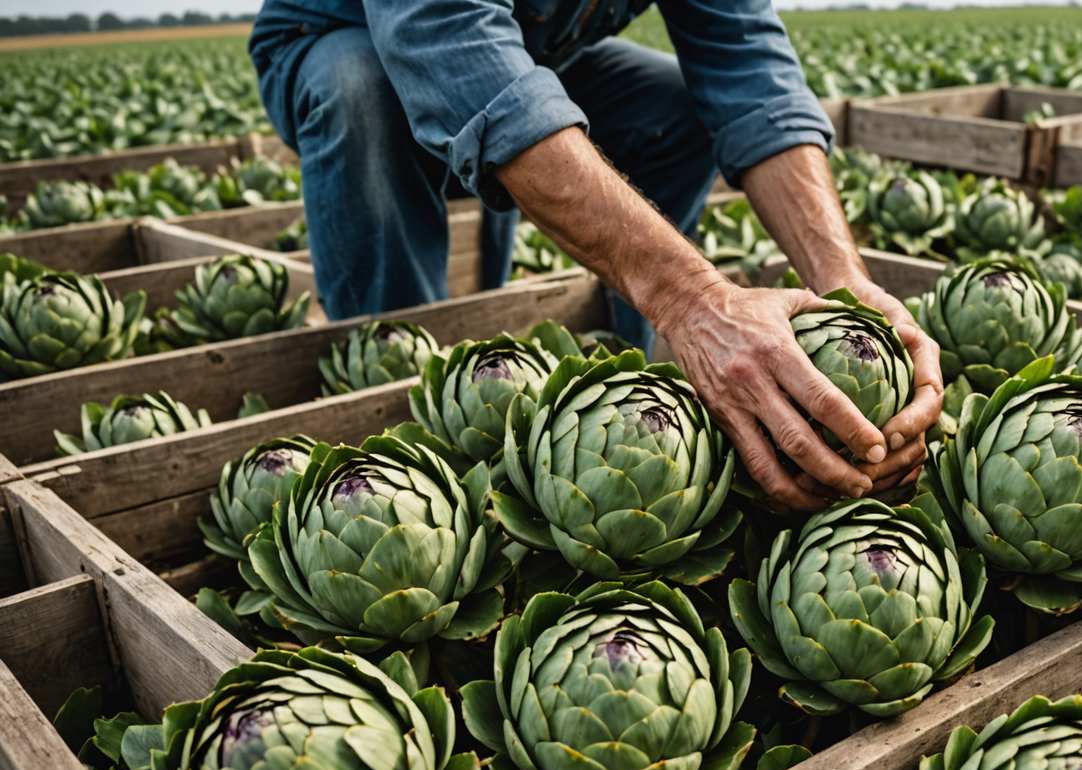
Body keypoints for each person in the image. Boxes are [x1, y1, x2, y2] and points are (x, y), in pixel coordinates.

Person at [248, 0, 940, 511]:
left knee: (675, 107)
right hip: (339, 36)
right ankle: (390, 436)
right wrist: (691, 298)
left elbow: (750, 72)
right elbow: (454, 48)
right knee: (360, 87)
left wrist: (845, 283)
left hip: (529, 52)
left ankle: (621, 392)